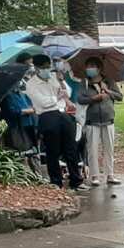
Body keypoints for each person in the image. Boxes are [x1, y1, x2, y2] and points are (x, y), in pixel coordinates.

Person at [25, 54, 82, 190]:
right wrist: (57, 97)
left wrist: (62, 82)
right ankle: (56, 181)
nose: (47, 70)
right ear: (37, 68)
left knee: (71, 149)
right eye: (44, 68)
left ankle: (76, 180)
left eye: (48, 67)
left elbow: (67, 92)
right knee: (52, 150)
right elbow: (43, 102)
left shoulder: (53, 78)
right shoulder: (31, 84)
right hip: (47, 116)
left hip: (63, 114)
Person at [80, 57, 123, 187]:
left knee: (109, 148)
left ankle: (110, 174)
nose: (90, 69)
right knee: (92, 149)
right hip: (92, 121)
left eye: (92, 66)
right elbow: (80, 99)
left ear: (99, 68)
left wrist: (108, 91)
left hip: (108, 119)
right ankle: (94, 176)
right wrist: (94, 98)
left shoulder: (109, 81)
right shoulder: (85, 83)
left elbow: (119, 96)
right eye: (88, 66)